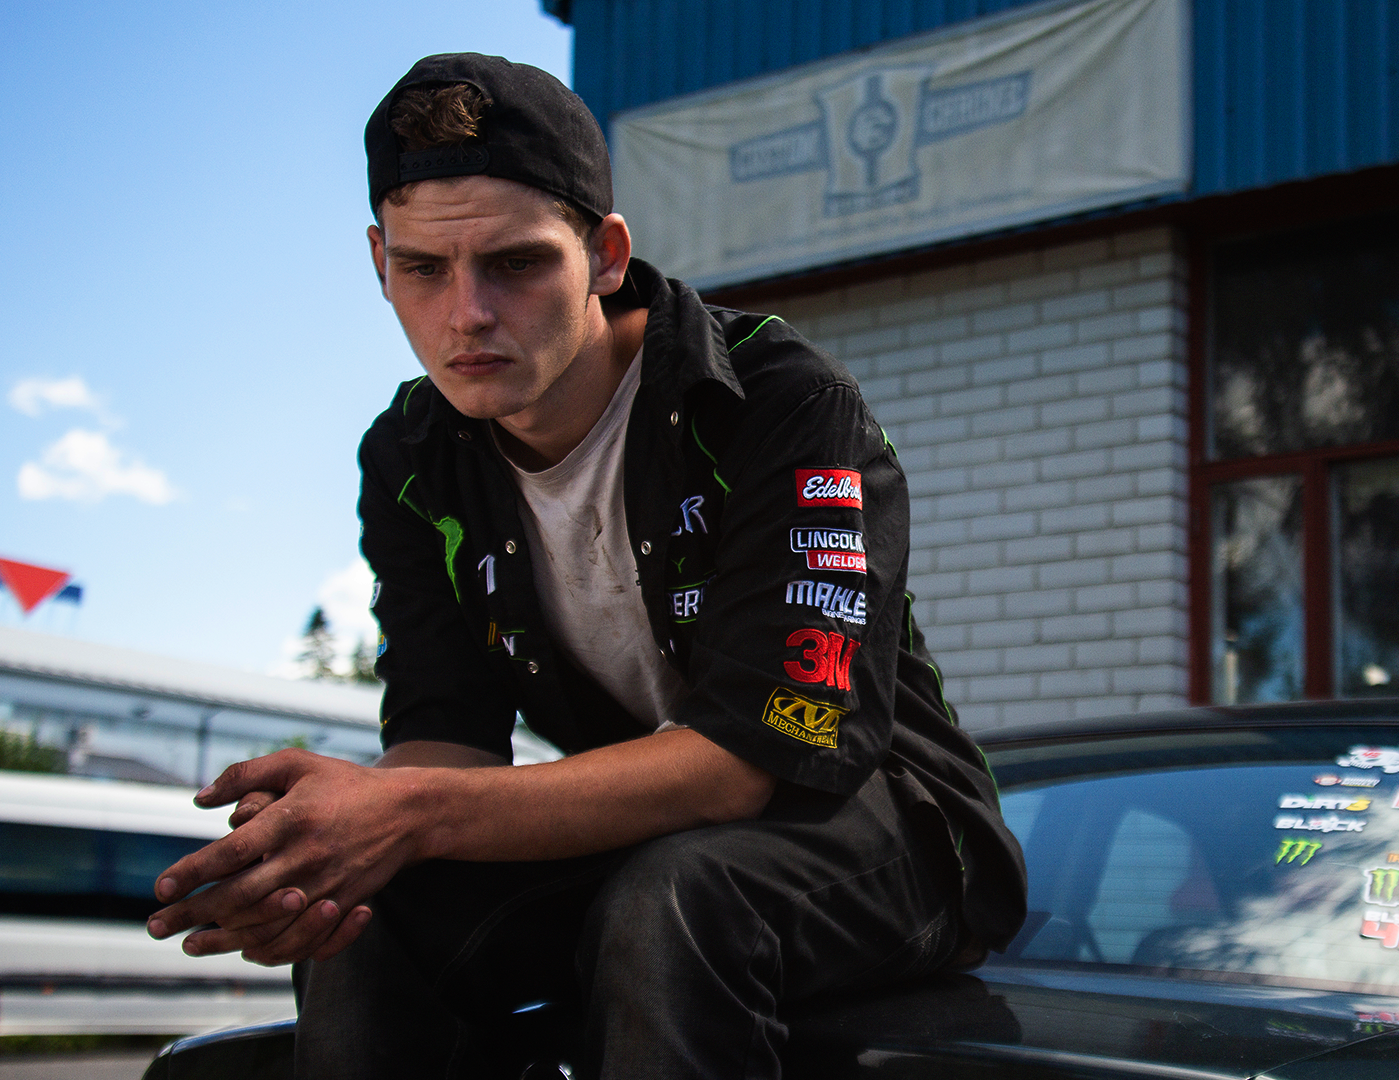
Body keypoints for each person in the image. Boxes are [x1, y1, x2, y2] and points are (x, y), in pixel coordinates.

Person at [145, 53, 1026, 1079]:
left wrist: (405, 810)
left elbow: (751, 757)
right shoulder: (410, 456)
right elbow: (447, 740)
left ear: (605, 255)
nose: (468, 314)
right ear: (379, 262)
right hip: (646, 834)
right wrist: (323, 845)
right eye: (424, 269)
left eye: (515, 264)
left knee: (677, 898)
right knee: (370, 906)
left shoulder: (777, 399)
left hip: (891, 831)